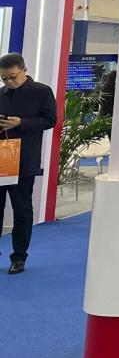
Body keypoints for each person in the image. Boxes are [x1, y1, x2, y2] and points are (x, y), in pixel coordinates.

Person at [0, 53, 57, 275]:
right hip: (1, 159)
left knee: (22, 210)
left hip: (24, 160)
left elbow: (50, 120)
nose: (8, 82)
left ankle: (19, 257)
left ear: (24, 70)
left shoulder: (42, 91)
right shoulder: (1, 93)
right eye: (4, 78)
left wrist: (21, 123)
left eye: (12, 77)